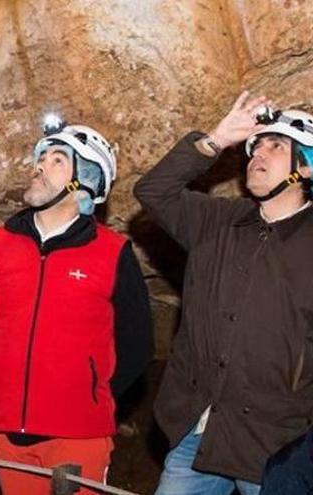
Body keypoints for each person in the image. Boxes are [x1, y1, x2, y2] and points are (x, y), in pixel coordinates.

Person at [135, 92, 313, 494]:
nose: (258, 154)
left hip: (275, 447)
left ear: (304, 168)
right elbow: (153, 191)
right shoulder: (217, 221)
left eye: (276, 145)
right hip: (197, 432)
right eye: (255, 146)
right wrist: (215, 140)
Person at [0, 117, 153, 495]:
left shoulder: (112, 251)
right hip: (5, 432)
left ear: (84, 180)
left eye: (58, 159)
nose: (40, 166)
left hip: (78, 436)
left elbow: (137, 345)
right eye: (41, 157)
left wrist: (88, 396)